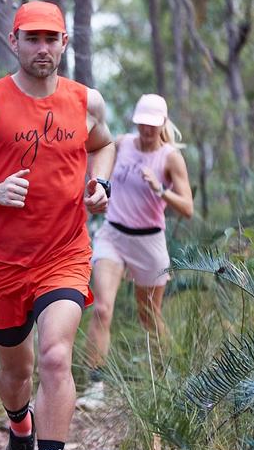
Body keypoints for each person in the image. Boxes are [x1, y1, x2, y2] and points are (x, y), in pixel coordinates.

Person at [0, 0, 115, 450]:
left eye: (50, 38)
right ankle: (20, 424)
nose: (42, 47)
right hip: (5, 261)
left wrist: (102, 185)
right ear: (13, 41)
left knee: (56, 359)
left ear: (64, 44)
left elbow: (105, 143)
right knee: (17, 375)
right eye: (31, 38)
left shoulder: (85, 100)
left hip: (66, 254)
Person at [76, 93, 193, 411]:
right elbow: (101, 175)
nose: (146, 131)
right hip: (113, 236)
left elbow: (188, 208)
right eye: (142, 124)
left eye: (152, 126)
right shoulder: (122, 143)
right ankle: (95, 386)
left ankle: (168, 382)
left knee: (150, 316)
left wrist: (161, 189)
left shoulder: (170, 158)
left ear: (163, 125)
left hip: (149, 242)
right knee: (102, 309)